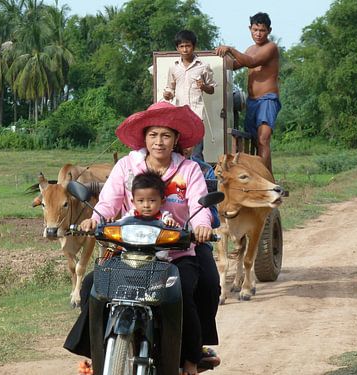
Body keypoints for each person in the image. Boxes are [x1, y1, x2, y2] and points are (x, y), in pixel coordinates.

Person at [64, 102, 221, 375]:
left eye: (166, 136)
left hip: (176, 251)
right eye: (153, 135)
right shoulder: (127, 166)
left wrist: (202, 227)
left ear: (175, 140)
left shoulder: (189, 170)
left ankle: (191, 358)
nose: (159, 142)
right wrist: (94, 219)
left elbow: (199, 208)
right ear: (144, 138)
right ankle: (96, 353)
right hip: (129, 250)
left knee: (191, 288)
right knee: (92, 284)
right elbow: (108, 203)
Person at [215, 12, 281, 173]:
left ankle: (263, 177)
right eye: (255, 30)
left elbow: (251, 62)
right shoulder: (250, 49)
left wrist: (230, 48)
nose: (258, 34)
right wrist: (217, 57)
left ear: (269, 31)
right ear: (249, 29)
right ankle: (268, 179)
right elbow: (235, 65)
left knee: (263, 139)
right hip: (252, 102)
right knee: (256, 141)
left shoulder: (270, 47)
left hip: (267, 99)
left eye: (262, 30)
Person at [163, 30, 217, 161]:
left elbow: (211, 89)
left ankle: (198, 178)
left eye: (188, 46)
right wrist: (167, 95)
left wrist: (203, 86)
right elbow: (170, 89)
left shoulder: (203, 66)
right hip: (179, 114)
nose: (185, 49)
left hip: (196, 114)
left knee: (196, 152)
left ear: (194, 46)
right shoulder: (174, 67)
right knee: (178, 150)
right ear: (177, 48)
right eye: (181, 46)